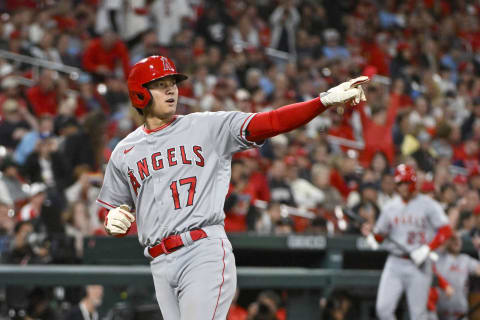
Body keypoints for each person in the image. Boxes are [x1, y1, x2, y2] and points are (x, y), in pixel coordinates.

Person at [96, 55, 368, 319]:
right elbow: (109, 211)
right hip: (159, 262)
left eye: (173, 83)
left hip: (201, 251)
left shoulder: (207, 126)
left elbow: (270, 122)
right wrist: (112, 221)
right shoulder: (125, 152)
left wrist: (321, 102)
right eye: (160, 84)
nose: (171, 90)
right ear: (140, 94)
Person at [365, 164, 453, 319]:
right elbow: (380, 235)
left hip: (418, 264)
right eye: (400, 183)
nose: (403, 187)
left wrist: (427, 249)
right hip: (395, 262)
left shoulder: (427, 204)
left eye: (406, 182)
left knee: (418, 315)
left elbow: (446, 230)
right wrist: (371, 234)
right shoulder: (390, 206)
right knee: (383, 310)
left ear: (413, 183)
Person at [435, 233, 480, 320]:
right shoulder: (438, 257)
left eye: (459, 240)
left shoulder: (465, 259)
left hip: (460, 312)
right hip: (438, 312)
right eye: (453, 239)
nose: (457, 241)